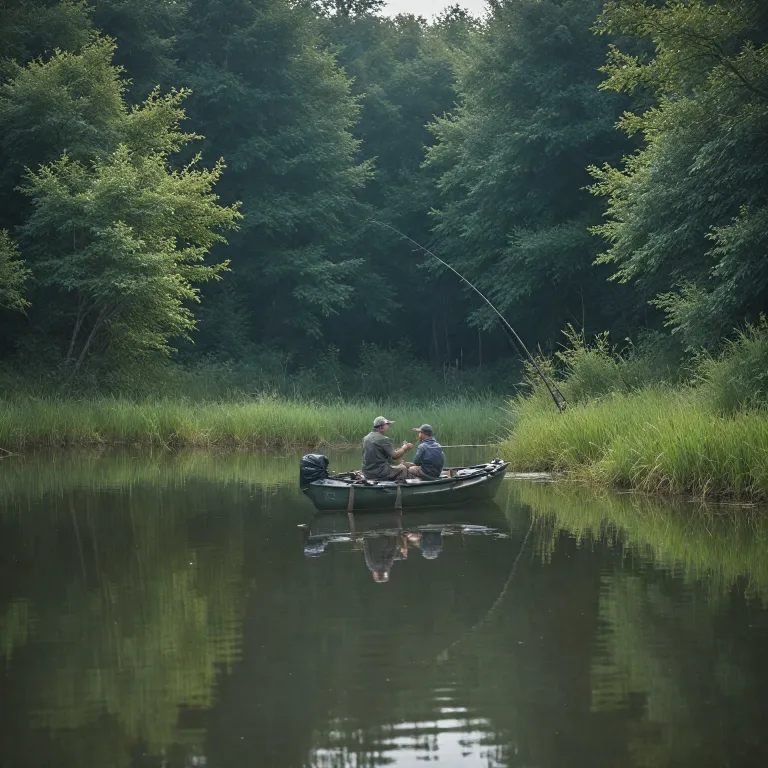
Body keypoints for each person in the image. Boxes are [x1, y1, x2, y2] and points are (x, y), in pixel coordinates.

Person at [361, 416, 412, 481]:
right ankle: (396, 489)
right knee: (403, 468)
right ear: (381, 427)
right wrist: (405, 448)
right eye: (386, 425)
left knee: (395, 466)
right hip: (378, 472)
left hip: (366, 472)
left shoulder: (366, 438)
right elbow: (394, 456)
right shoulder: (384, 439)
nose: (388, 427)